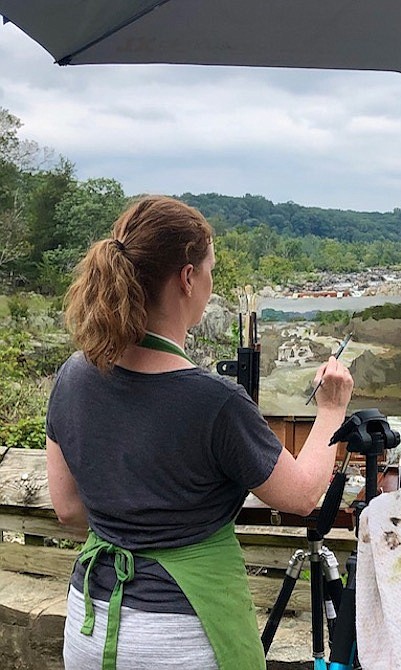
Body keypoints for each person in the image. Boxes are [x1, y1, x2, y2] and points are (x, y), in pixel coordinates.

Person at [45, 195, 354, 670]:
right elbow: (302, 495)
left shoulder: (74, 374)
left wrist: (134, 520)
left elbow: (67, 508)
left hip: (90, 623)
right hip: (179, 637)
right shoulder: (214, 401)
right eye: (209, 269)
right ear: (188, 278)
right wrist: (331, 410)